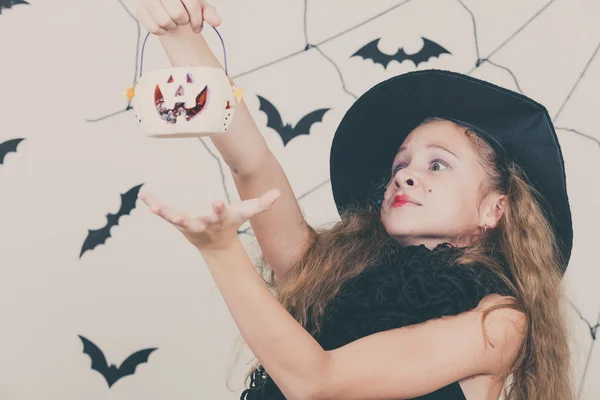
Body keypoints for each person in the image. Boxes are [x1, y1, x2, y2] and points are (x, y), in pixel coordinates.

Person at [135, 1, 575, 399]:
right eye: (400, 164)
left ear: (493, 209)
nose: (404, 175)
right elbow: (251, 162)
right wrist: (179, 35)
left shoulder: (497, 320)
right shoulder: (328, 272)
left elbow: (317, 383)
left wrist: (220, 250)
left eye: (437, 165)